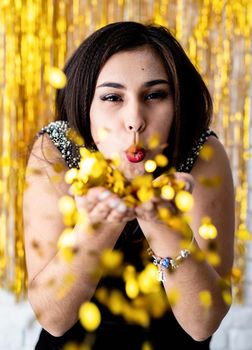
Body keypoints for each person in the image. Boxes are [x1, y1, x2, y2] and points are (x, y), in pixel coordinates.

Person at [23, 21, 235, 350]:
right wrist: (98, 223)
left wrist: (163, 224)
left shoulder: (201, 152)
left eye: (154, 95)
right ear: (85, 106)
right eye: (112, 97)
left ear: (177, 104)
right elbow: (53, 318)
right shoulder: (57, 150)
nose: (135, 119)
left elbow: (202, 324)